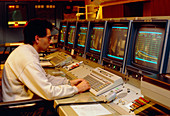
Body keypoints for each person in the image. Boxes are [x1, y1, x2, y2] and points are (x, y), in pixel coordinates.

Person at [1, 18, 90, 115]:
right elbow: (49, 93)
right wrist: (77, 89)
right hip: (22, 110)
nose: (51, 42)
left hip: (22, 105)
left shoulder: (26, 51)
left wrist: (68, 82)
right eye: (49, 38)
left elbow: (44, 78)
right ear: (37, 39)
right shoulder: (28, 59)